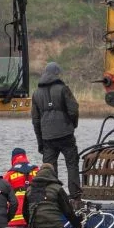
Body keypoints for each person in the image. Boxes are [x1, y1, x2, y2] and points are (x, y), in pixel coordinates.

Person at [33, 61, 82, 200]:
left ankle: (52, 196)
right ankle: (75, 196)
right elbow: (74, 109)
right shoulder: (63, 89)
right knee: (72, 164)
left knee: (49, 168)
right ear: (56, 73)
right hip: (66, 134)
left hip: (47, 137)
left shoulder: (36, 93)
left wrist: (40, 142)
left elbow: (35, 121)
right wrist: (72, 125)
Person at [23, 162, 81, 228]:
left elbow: (25, 212)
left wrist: (31, 227)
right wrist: (79, 227)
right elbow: (68, 212)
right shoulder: (57, 188)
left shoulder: (29, 189)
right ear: (53, 174)